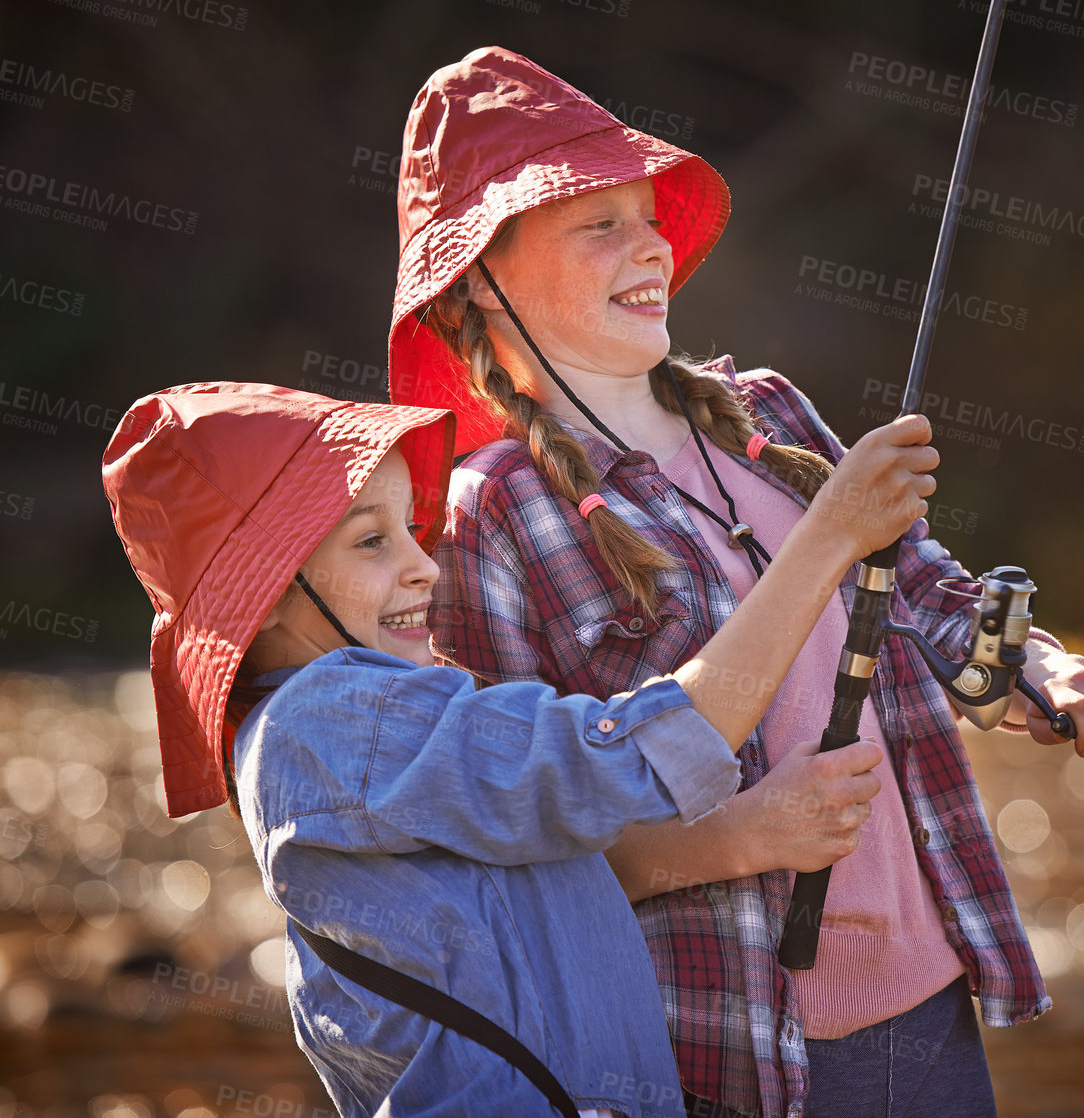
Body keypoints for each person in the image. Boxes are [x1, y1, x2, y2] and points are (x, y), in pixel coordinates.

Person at [388, 46, 1084, 1118]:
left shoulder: (771, 413)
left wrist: (1036, 663)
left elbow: (921, 582)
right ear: (480, 282)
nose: (647, 243)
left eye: (647, 216)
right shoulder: (486, 513)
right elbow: (509, 860)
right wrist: (733, 836)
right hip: (729, 1050)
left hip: (929, 995)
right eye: (596, 223)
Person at [100, 381, 937, 1117]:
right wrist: (828, 536)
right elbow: (631, 755)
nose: (425, 565)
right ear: (267, 593)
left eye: (412, 529)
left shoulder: (332, 728)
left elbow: (553, 855)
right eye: (370, 541)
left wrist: (743, 833)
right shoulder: (336, 715)